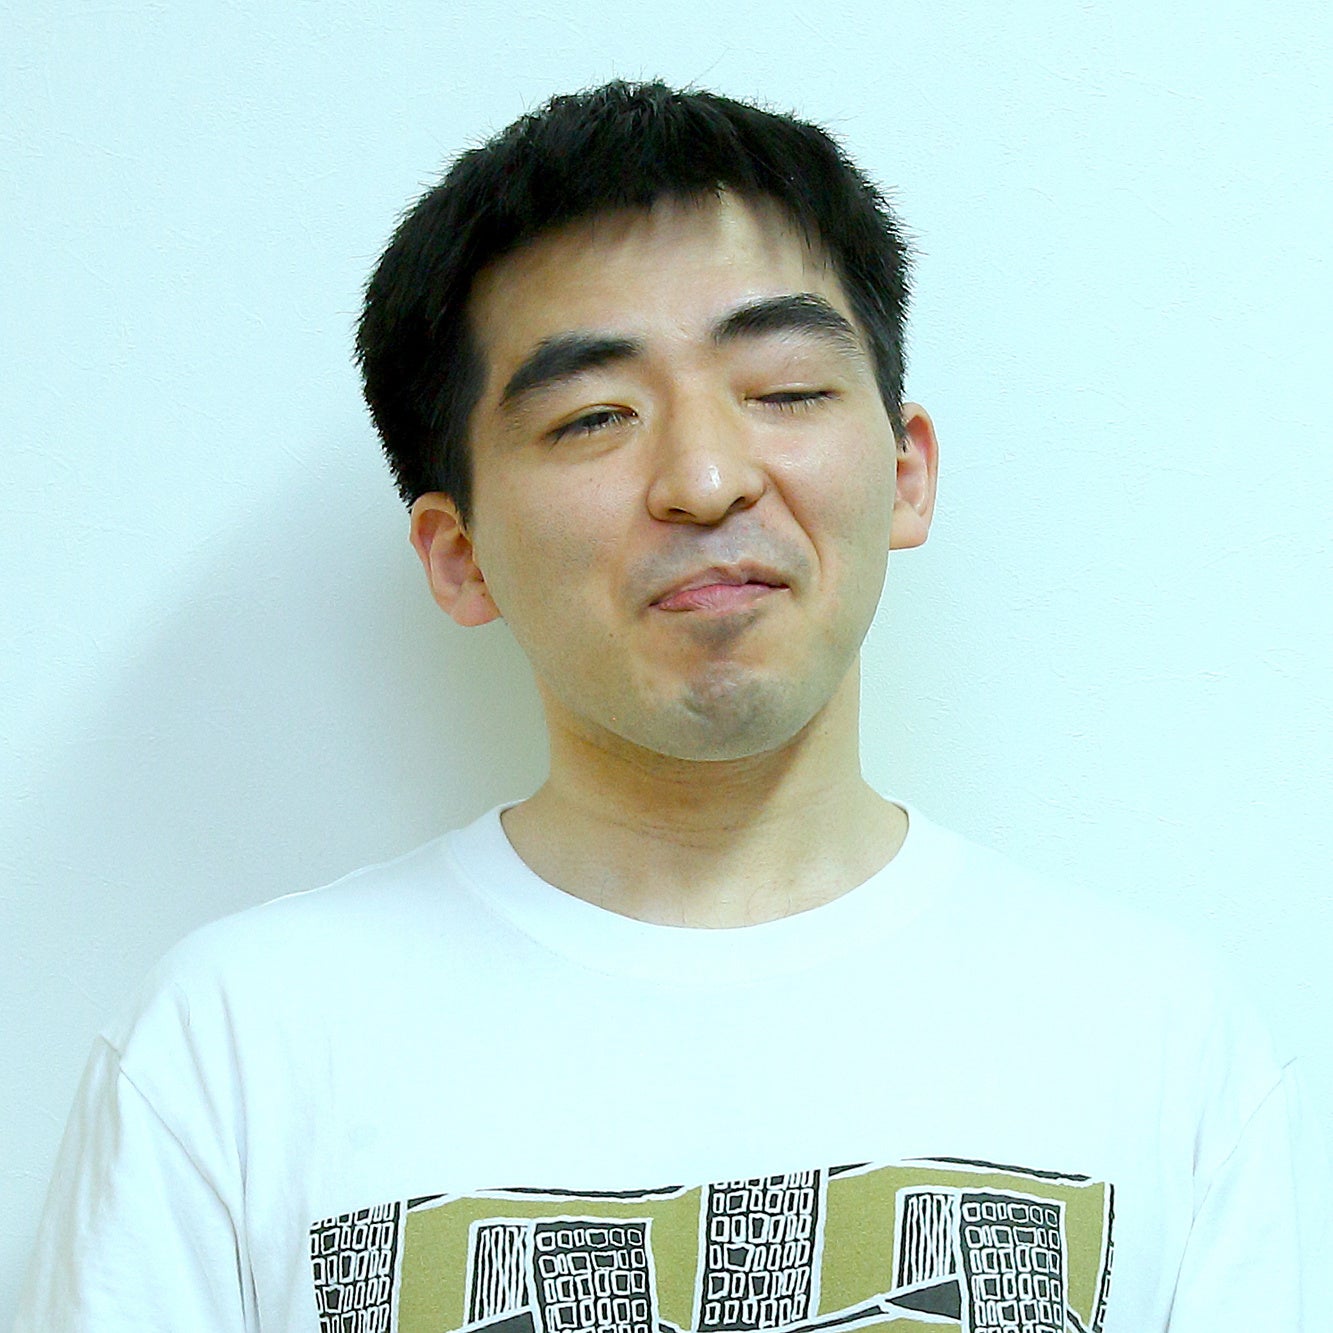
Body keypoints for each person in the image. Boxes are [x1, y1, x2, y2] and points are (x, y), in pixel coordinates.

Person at [15, 80, 1326, 1333]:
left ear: (905, 472)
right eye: (594, 417)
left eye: (786, 390)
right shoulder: (233, 1055)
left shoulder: (1154, 1040)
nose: (705, 479)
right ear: (459, 556)